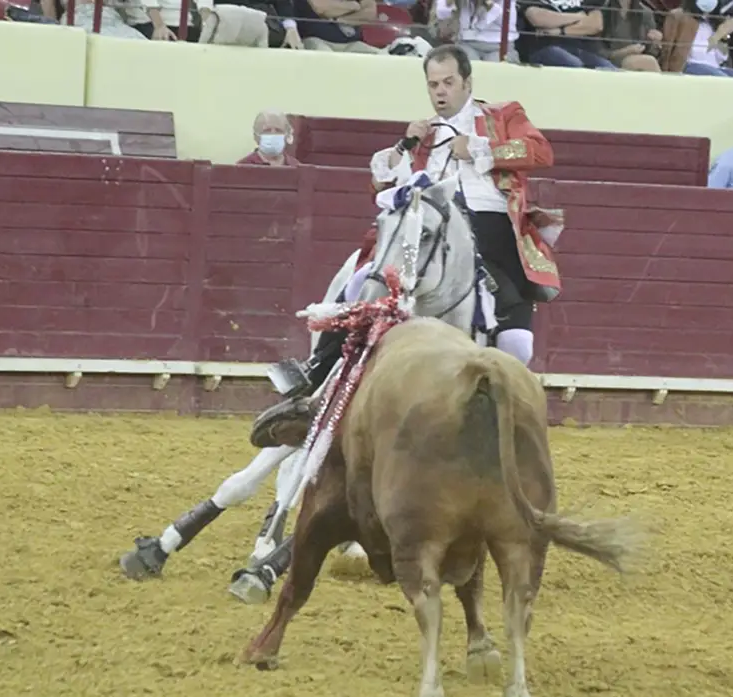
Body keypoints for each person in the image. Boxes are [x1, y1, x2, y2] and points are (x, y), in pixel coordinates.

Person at [253, 43, 563, 448]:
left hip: (491, 234)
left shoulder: (502, 115)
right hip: (428, 230)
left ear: (467, 82)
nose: (440, 91)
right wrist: (403, 146)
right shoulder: (423, 134)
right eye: (433, 84)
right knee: (362, 279)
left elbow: (541, 151)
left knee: (517, 345)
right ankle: (313, 382)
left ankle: (504, 424)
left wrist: (482, 150)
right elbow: (383, 186)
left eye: (449, 82)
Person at [659, 0, 733, 77]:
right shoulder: (679, 15)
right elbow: (696, 52)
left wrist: (724, 36)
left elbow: (721, 58)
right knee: (723, 79)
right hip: (689, 64)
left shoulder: (715, 20)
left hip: (714, 66)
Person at [516, 0, 618, 69]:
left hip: (583, 49)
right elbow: (537, 17)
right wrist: (579, 16)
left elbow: (596, 25)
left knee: (609, 69)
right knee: (574, 65)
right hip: (544, 48)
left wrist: (560, 31)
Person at [434, 0, 521, 63]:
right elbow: (441, 14)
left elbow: (505, 21)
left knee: (494, 73)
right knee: (468, 69)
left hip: (499, 45)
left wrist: (488, 4)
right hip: (466, 43)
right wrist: (448, 3)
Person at [597, 0, 664, 72]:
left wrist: (653, 42)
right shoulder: (602, 10)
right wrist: (625, 52)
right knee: (647, 62)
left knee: (647, 62)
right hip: (608, 64)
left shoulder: (645, 13)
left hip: (639, 62)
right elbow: (594, 50)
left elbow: (653, 53)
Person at [237, 110, 301, 166]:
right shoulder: (243, 166)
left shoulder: (296, 167)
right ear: (256, 136)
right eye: (267, 131)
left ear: (287, 135)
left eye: (278, 130)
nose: (273, 135)